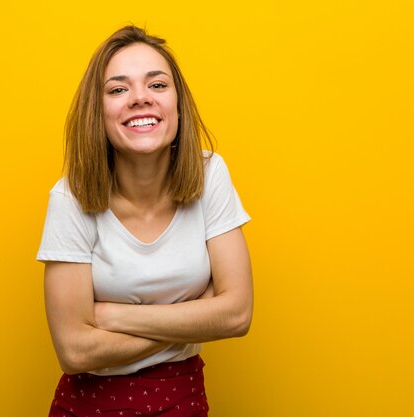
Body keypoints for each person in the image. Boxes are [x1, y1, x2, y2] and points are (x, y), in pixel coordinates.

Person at [37, 25, 253, 417]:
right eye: (118, 89)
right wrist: (198, 316)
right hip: (90, 406)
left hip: (184, 399)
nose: (140, 99)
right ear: (97, 112)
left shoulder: (211, 175)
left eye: (157, 85)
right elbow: (74, 350)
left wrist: (112, 316)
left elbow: (237, 314)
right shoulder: (69, 198)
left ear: (178, 104)